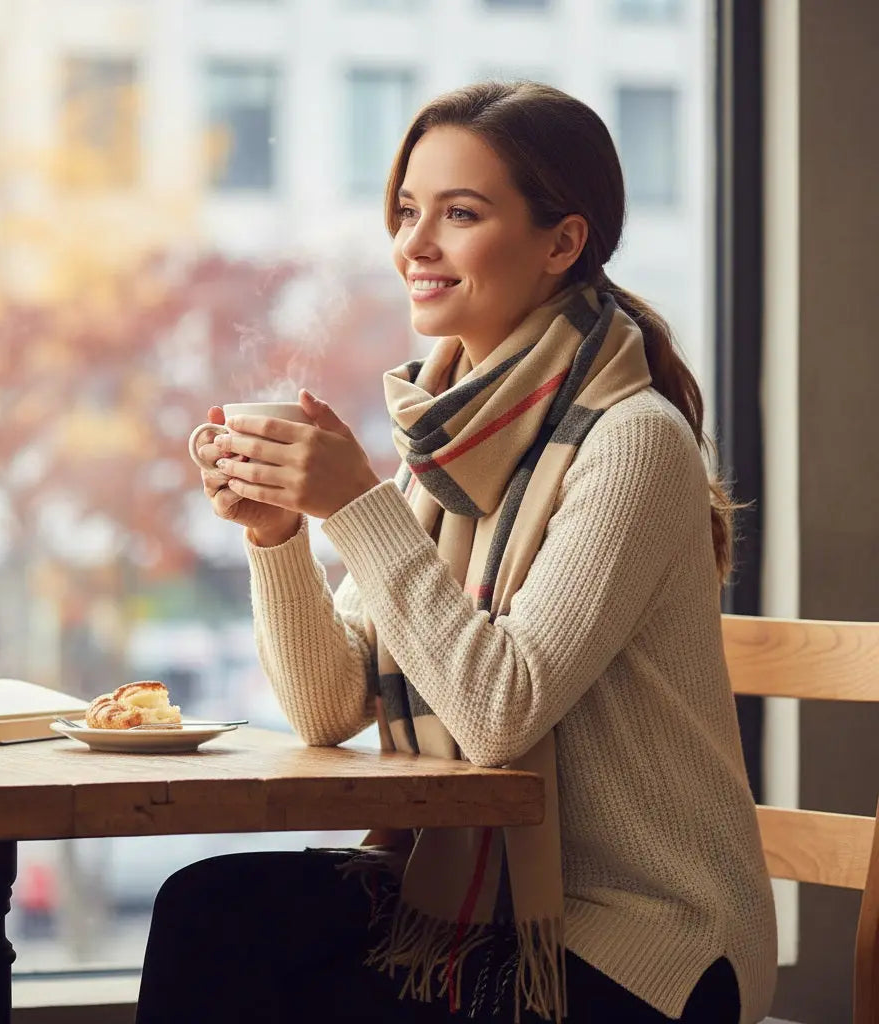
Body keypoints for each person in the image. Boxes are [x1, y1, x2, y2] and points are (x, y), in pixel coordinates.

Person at [134, 81, 777, 1024]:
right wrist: (277, 537)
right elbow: (329, 708)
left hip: (644, 937)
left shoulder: (631, 440)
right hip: (488, 913)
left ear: (563, 242)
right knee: (209, 910)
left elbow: (498, 711)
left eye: (460, 214)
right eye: (406, 212)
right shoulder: (453, 440)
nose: (414, 246)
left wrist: (355, 502)